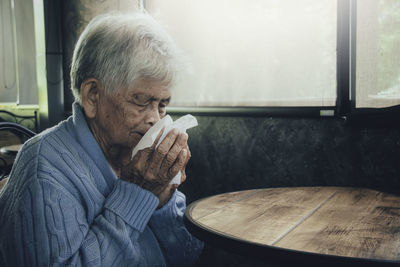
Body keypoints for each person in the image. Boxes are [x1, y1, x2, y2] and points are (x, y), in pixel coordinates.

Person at [0, 12, 203, 266]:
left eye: (162, 105)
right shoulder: (43, 168)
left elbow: (187, 257)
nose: (155, 119)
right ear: (93, 96)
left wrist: (163, 200)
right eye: (142, 101)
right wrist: (137, 194)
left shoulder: (139, 154)